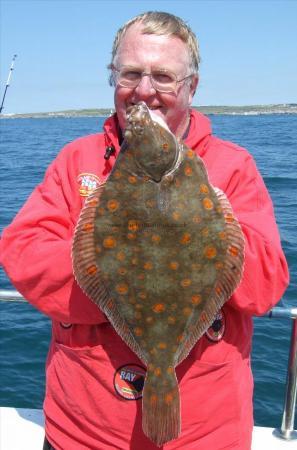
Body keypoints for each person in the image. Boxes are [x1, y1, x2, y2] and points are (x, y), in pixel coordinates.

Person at [0, 11, 289, 450]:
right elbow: (22, 252)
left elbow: (266, 286)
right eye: (131, 73)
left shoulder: (234, 166)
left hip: (205, 435)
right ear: (112, 77)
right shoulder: (75, 159)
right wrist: (114, 265)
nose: (145, 91)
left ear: (191, 86)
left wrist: (204, 222)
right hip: (83, 432)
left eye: (164, 77)